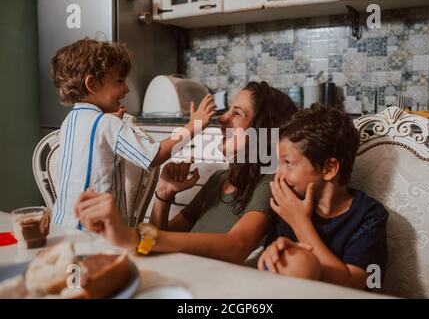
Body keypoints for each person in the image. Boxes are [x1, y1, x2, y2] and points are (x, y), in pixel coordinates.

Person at [76, 81, 298, 264]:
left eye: (237, 113)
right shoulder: (219, 179)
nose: (221, 118)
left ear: (264, 130)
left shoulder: (270, 184)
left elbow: (237, 246)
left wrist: (135, 236)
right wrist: (164, 195)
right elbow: (157, 241)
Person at [50, 38, 216, 228]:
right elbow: (155, 156)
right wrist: (192, 127)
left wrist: (111, 120)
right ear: (92, 84)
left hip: (62, 226)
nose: (126, 89)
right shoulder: (108, 123)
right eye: (119, 81)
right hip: (97, 231)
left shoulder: (70, 121)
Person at [257, 104, 388, 289]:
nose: (279, 173)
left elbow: (355, 284)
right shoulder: (290, 203)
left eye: (288, 163)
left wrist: (300, 223)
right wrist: (273, 254)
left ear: (329, 169)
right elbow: (274, 268)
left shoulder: (369, 215)